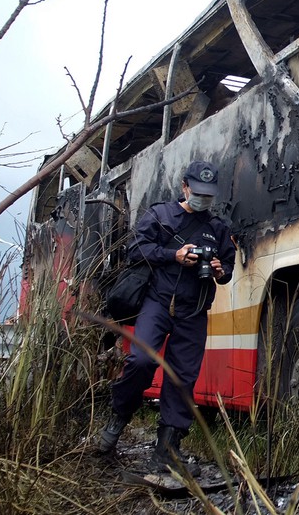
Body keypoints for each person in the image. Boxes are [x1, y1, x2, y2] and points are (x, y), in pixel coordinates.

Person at [96, 160, 236, 476]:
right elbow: (135, 250)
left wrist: (219, 270)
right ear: (185, 187)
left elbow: (227, 269)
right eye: (198, 192)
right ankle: (117, 419)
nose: (203, 199)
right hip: (157, 303)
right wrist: (173, 255)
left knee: (183, 378)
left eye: (208, 195)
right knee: (141, 361)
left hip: (194, 311)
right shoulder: (160, 216)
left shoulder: (218, 229)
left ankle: (167, 450)